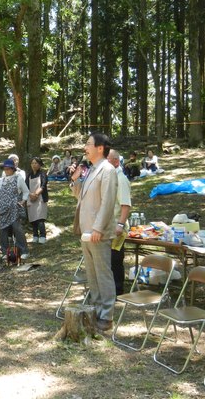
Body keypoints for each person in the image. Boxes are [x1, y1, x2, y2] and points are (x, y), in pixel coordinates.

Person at [70, 132, 118, 332]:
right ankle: (96, 312)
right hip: (86, 231)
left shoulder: (107, 170)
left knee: (103, 274)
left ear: (100, 148)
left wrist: (98, 227)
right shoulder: (90, 169)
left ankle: (106, 316)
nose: (85, 148)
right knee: (92, 275)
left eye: (88, 144)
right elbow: (79, 196)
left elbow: (107, 202)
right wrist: (75, 180)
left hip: (98, 232)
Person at [107, 149, 132, 296]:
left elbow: (125, 205)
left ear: (116, 161)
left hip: (117, 226)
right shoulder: (110, 177)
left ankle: (118, 290)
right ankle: (110, 289)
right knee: (108, 260)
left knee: (115, 260)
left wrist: (120, 225)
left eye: (108, 159)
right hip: (108, 226)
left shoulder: (121, 179)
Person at [0, 158, 30, 260]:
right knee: (2, 230)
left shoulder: (18, 178)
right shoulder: (1, 180)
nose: (7, 170)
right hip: (3, 209)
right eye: (5, 169)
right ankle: (5, 251)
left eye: (8, 168)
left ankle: (24, 250)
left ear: (13, 169)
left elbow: (26, 192)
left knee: (17, 229)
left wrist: (23, 201)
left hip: (14, 208)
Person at [26, 157, 49, 244]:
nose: (34, 165)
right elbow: (26, 187)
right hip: (31, 198)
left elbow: (43, 185)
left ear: (39, 164)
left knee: (40, 219)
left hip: (40, 198)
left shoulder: (42, 174)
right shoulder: (29, 175)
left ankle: (43, 236)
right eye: (32, 163)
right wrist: (31, 195)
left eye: (36, 163)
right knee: (33, 219)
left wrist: (36, 194)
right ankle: (35, 235)